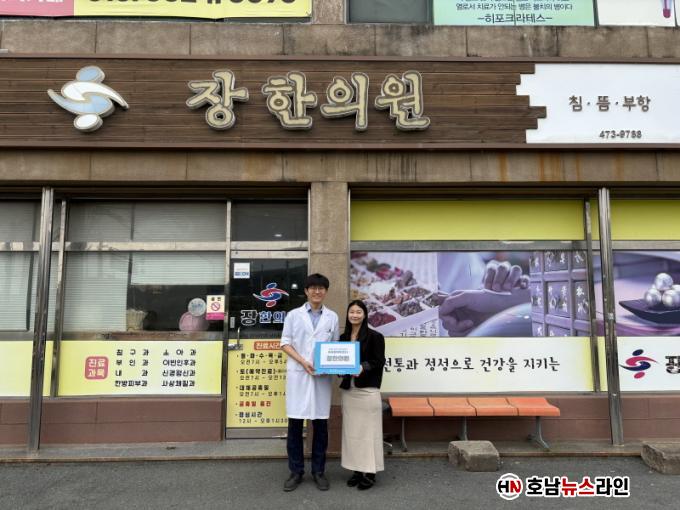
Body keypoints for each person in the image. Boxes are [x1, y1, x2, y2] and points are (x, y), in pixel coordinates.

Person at [280, 273, 340, 492]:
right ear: (306, 291)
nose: (317, 291)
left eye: (321, 288)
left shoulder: (332, 317)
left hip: (321, 377)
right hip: (298, 373)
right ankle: (296, 471)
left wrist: (334, 364)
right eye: (313, 288)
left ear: (326, 291)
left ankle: (318, 471)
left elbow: (335, 346)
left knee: (321, 426)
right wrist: (303, 362)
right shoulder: (293, 315)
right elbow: (285, 343)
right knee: (295, 425)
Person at [339, 299, 386, 491]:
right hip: (349, 391)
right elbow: (339, 361)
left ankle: (371, 472)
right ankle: (357, 470)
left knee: (369, 432)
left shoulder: (375, 336)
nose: (355, 315)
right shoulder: (343, 337)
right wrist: (335, 368)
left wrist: (362, 367)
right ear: (347, 314)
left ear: (365, 314)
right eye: (352, 312)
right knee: (352, 434)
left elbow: (379, 361)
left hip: (367, 391)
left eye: (359, 312)